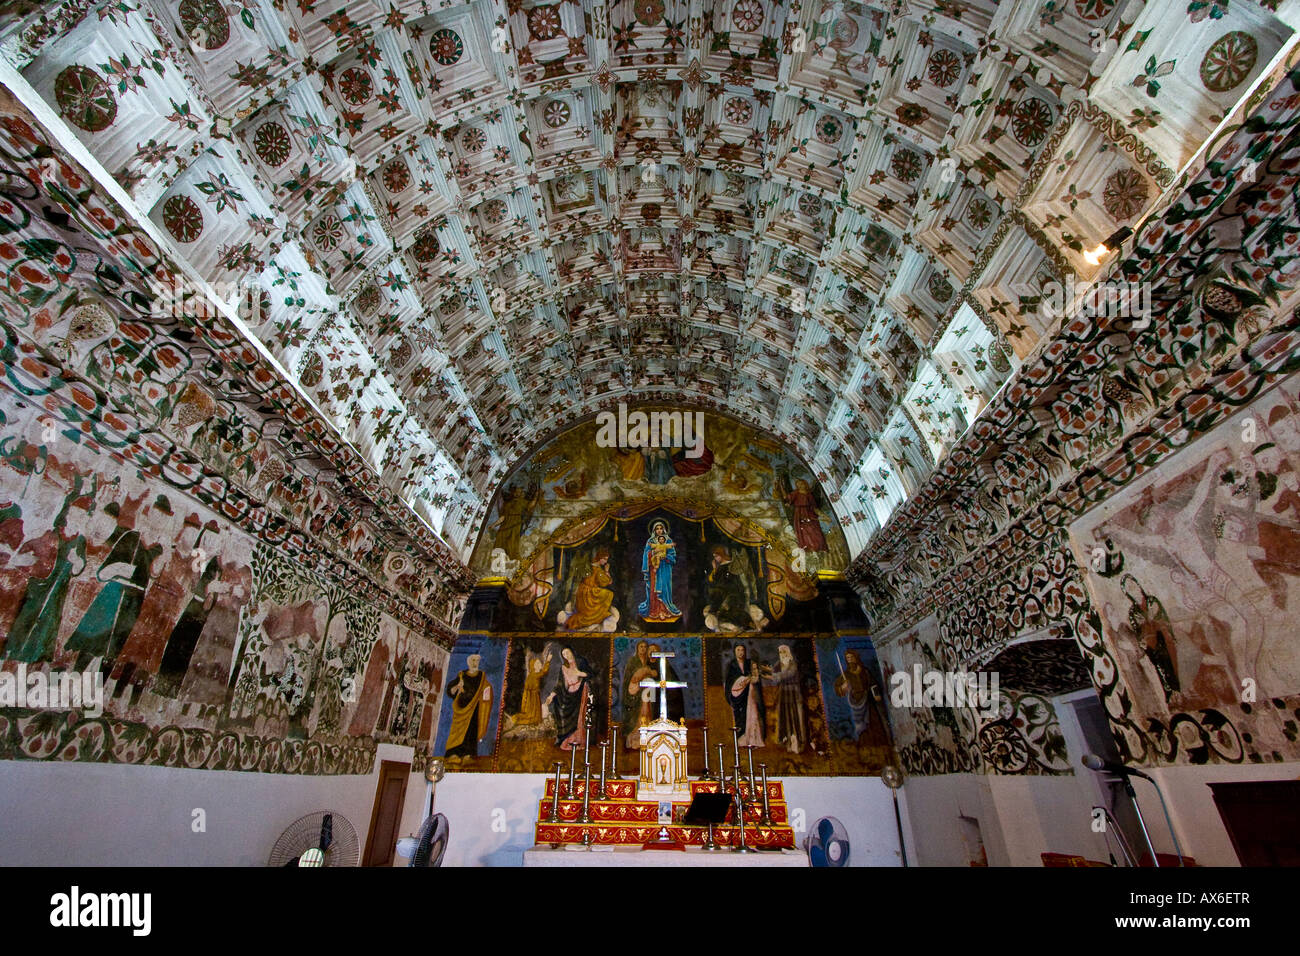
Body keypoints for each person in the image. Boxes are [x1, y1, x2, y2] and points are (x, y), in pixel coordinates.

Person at [444, 654, 493, 760]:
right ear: (469, 662)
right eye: (473, 660)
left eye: (477, 661)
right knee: (457, 731)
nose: (475, 663)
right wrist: (458, 686)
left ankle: (468, 753)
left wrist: (487, 692)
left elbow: (486, 689)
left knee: (471, 731)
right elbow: (450, 691)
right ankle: (453, 752)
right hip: (461, 708)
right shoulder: (462, 675)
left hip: (475, 708)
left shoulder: (481, 676)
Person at [547, 647, 592, 750]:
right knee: (559, 706)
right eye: (564, 654)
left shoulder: (580, 661)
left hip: (581, 691)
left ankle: (578, 739)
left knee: (579, 716)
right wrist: (551, 695)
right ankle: (565, 737)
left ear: (572, 651)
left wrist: (579, 673)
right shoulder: (564, 667)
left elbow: (590, 674)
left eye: (567, 652)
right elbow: (560, 684)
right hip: (569, 692)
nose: (566, 655)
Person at [724, 642, 765, 747]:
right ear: (734, 652)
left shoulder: (749, 663)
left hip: (749, 694)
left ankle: (749, 738)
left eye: (742, 650)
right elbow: (729, 681)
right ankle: (740, 739)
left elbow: (755, 676)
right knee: (739, 716)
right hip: (737, 694)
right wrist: (740, 682)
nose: (741, 653)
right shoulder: (732, 665)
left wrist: (749, 679)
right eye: (738, 650)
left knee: (749, 715)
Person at [638, 521, 680, 621]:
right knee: (654, 589)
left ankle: (664, 611)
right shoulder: (650, 541)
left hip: (665, 568)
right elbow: (646, 554)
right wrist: (653, 553)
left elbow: (673, 556)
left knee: (664, 588)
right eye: (657, 529)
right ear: (654, 530)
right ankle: (655, 611)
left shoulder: (668, 540)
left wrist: (665, 556)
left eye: (661, 528)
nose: (659, 530)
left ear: (664, 529)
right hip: (654, 569)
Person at [564, 547, 616, 630]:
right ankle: (595, 615)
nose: (606, 561)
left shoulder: (590, 566)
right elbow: (608, 581)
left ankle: (593, 615)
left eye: (606, 559)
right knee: (609, 594)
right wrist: (607, 571)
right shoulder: (598, 570)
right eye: (605, 559)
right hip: (589, 593)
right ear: (600, 558)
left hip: (582, 591)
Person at [769, 644, 806, 753]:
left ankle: (797, 742)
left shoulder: (792, 663)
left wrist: (775, 676)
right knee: (785, 717)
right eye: (780, 652)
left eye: (784, 652)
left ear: (788, 652)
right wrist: (772, 674)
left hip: (793, 693)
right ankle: (787, 741)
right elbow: (773, 674)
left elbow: (789, 674)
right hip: (784, 694)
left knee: (794, 716)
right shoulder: (778, 664)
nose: (782, 654)